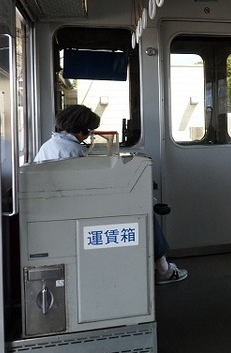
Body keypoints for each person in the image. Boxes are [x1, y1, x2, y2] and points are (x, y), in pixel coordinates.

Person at [34, 104, 188, 285]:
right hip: (77, 213)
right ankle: (164, 270)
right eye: (89, 131)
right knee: (144, 213)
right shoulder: (75, 153)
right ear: (82, 131)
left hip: (58, 210)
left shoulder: (50, 145)